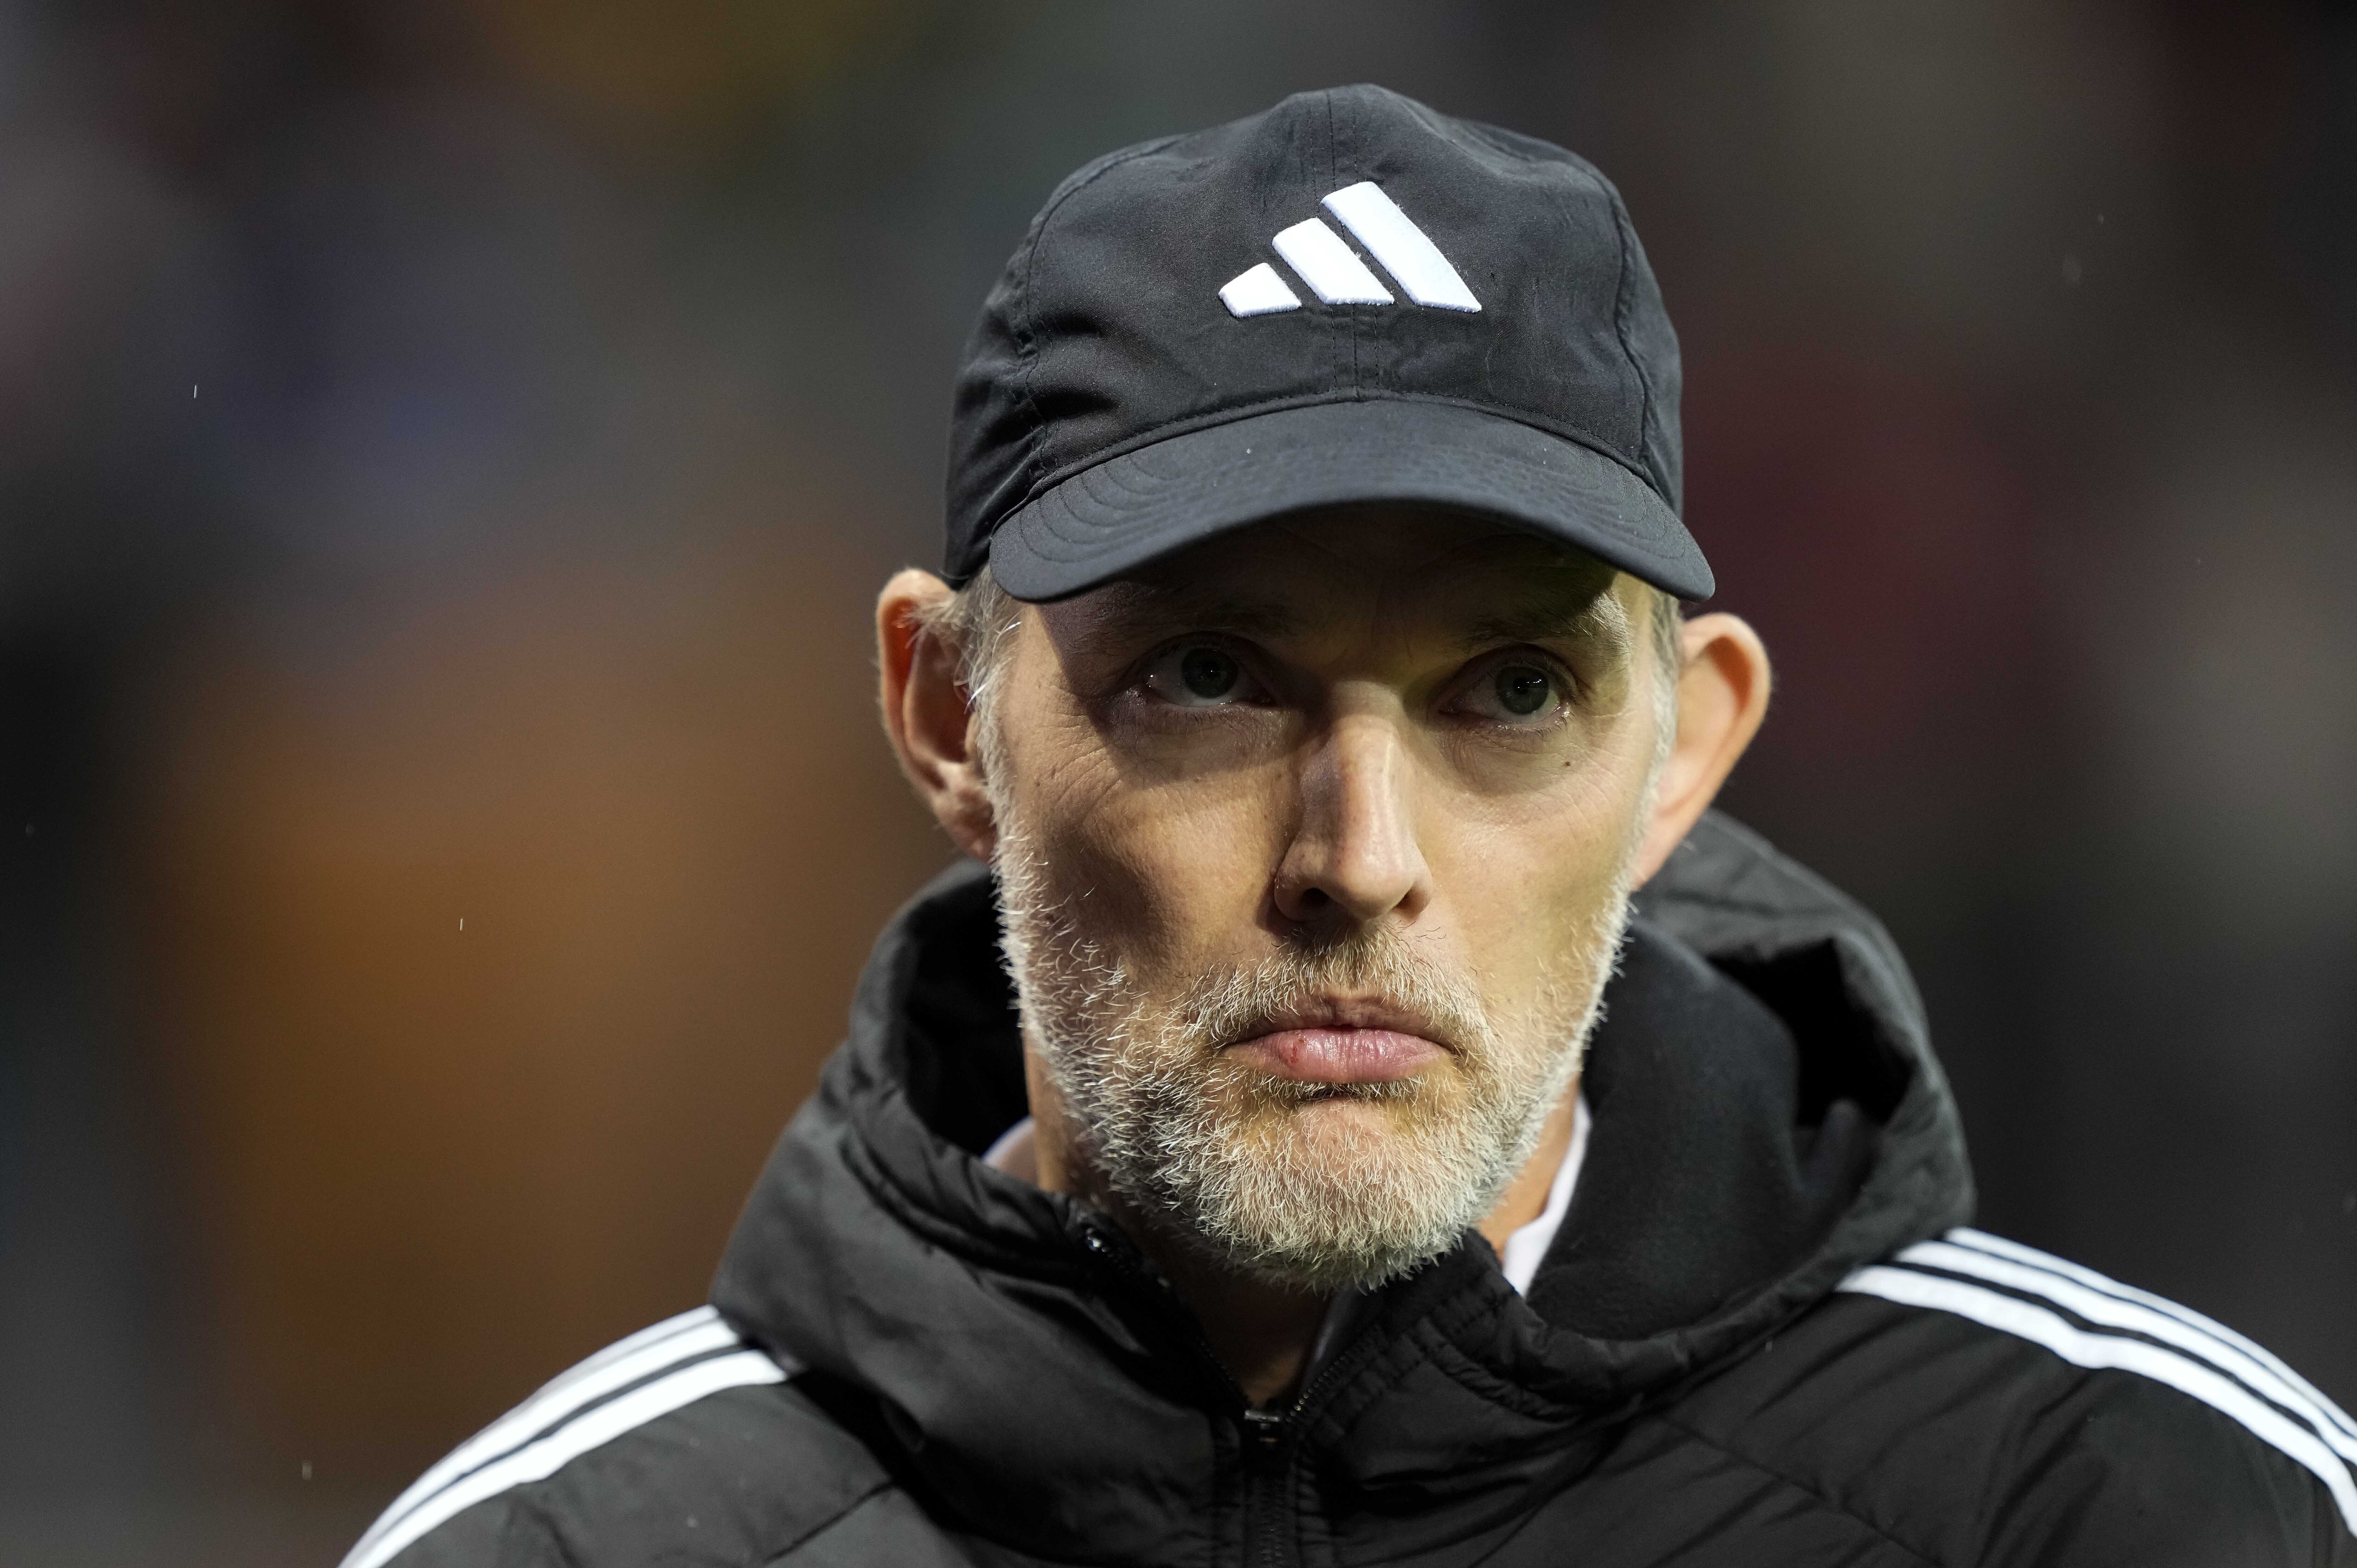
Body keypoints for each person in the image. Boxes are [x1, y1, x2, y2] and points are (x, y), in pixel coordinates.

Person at [343, 85, 2357, 1568]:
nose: (1358, 853)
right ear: (948, 717)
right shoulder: (557, 1552)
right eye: (1211, 672)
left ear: (1684, 750)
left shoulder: (2140, 1513)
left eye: (1512, 688)